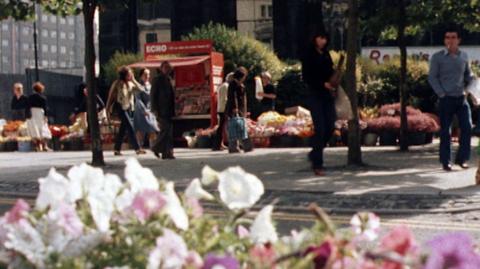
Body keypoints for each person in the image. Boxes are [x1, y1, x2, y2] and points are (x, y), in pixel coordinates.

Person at [428, 27, 474, 171]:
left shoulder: (464, 56)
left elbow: (468, 75)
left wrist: (473, 82)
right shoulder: (438, 57)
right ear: (444, 40)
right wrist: (441, 93)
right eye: (447, 37)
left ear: (458, 40)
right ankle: (445, 161)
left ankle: (462, 159)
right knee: (445, 132)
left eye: (453, 37)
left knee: (466, 128)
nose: (450, 40)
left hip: (461, 98)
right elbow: (432, 77)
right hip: (446, 99)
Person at [301, 29, 338, 176]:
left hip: (327, 95)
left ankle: (315, 152)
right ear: (314, 39)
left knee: (330, 126)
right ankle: (318, 164)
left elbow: (330, 71)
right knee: (320, 128)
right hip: (315, 94)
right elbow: (307, 77)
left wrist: (335, 79)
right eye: (320, 38)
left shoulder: (326, 54)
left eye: (325, 39)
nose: (323, 41)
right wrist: (322, 84)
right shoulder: (309, 55)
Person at [106, 66, 146, 156]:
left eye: (131, 73)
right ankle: (137, 148)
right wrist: (107, 109)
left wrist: (134, 80)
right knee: (130, 127)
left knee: (123, 130)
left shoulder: (131, 84)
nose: (131, 75)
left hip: (129, 108)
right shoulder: (117, 83)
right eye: (129, 74)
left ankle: (117, 149)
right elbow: (110, 96)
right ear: (124, 74)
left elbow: (141, 89)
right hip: (120, 107)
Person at [151, 61, 176, 159]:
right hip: (161, 110)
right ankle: (155, 147)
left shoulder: (169, 79)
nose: (167, 69)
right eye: (165, 67)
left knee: (169, 132)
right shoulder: (157, 79)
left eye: (169, 68)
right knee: (165, 131)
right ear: (161, 68)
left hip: (169, 109)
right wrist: (155, 110)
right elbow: (153, 95)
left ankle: (167, 153)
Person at [225, 67, 252, 153]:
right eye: (244, 76)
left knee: (241, 127)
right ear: (241, 76)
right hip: (234, 109)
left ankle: (246, 146)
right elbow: (232, 97)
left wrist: (245, 110)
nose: (244, 78)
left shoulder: (241, 85)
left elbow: (244, 100)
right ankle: (234, 147)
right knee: (235, 127)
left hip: (241, 109)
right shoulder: (232, 84)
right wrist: (235, 108)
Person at [134, 68, 159, 150]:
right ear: (141, 76)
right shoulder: (138, 86)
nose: (147, 76)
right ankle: (139, 146)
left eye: (148, 74)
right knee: (141, 130)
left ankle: (153, 146)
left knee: (152, 127)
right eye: (145, 74)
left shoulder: (150, 85)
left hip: (150, 109)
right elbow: (138, 99)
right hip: (141, 110)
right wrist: (143, 110)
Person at [26, 82, 51, 151]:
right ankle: (45, 146)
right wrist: (46, 116)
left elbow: (27, 106)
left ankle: (36, 146)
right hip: (40, 113)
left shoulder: (30, 97)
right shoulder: (43, 98)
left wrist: (28, 115)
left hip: (32, 113)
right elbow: (45, 108)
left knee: (35, 130)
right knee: (43, 129)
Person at [212, 72, 234, 151]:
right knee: (221, 127)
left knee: (221, 127)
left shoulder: (223, 85)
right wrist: (228, 108)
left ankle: (219, 144)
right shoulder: (226, 86)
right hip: (223, 109)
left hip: (220, 108)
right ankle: (217, 145)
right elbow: (225, 99)